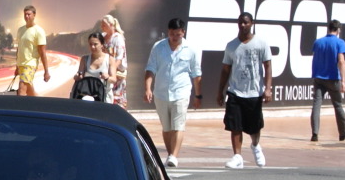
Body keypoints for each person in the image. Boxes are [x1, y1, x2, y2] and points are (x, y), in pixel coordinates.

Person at [143, 18, 202, 167]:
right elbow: (150, 68)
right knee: (167, 127)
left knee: (178, 125)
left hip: (181, 91)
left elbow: (196, 73)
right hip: (161, 93)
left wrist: (198, 94)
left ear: (183, 32)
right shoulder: (159, 47)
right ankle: (170, 154)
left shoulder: (191, 49)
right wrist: (148, 88)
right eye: (171, 34)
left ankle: (174, 156)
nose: (174, 37)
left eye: (177, 34)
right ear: (168, 32)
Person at [216, 12, 272, 169]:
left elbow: (267, 66)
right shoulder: (232, 46)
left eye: (246, 23)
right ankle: (237, 156)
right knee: (235, 125)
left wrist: (267, 88)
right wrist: (220, 91)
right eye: (240, 22)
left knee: (254, 126)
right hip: (235, 91)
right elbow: (225, 69)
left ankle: (255, 146)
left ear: (252, 23)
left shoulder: (261, 43)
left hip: (254, 92)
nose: (242, 25)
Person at [310, 19, 345, 143]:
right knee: (338, 104)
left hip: (318, 78)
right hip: (333, 78)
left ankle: (315, 133)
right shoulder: (340, 42)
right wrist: (343, 81)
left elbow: (315, 57)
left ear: (328, 29)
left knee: (316, 105)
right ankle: (343, 132)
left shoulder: (318, 42)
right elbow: (341, 61)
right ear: (338, 30)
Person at [15, 5, 50, 96]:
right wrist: (17, 67)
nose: (26, 16)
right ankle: (40, 105)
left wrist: (46, 71)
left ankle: (19, 109)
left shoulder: (39, 31)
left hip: (30, 64)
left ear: (34, 15)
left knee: (22, 88)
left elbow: (42, 52)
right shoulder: (20, 30)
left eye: (29, 14)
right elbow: (19, 49)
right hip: (21, 64)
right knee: (30, 91)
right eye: (25, 14)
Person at [72, 32, 116, 102]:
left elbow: (114, 79)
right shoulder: (85, 59)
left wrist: (107, 77)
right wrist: (78, 76)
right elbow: (78, 75)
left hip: (104, 96)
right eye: (90, 44)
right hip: (88, 96)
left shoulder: (109, 59)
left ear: (102, 44)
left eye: (95, 44)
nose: (92, 47)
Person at [100, 14, 129, 108]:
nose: (102, 27)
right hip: (105, 74)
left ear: (111, 25)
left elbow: (119, 58)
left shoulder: (118, 38)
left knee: (117, 100)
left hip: (117, 74)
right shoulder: (102, 37)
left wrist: (111, 72)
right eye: (102, 25)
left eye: (104, 25)